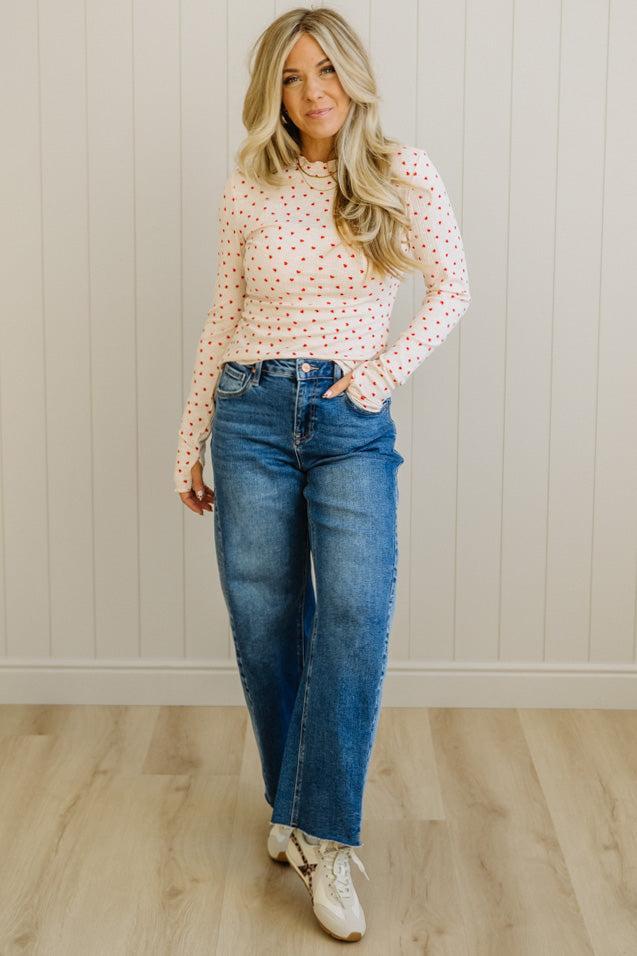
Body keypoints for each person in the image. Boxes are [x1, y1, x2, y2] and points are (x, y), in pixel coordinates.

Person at [174, 6, 471, 943]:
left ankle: (328, 838)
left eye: (327, 72)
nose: (313, 94)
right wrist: (189, 438)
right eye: (293, 78)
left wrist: (377, 377)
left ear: (354, 75)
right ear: (273, 91)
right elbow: (221, 313)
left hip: (348, 422)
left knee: (353, 614)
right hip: (250, 411)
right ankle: (291, 813)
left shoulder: (398, 171)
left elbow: (452, 286)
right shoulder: (247, 185)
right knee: (265, 623)